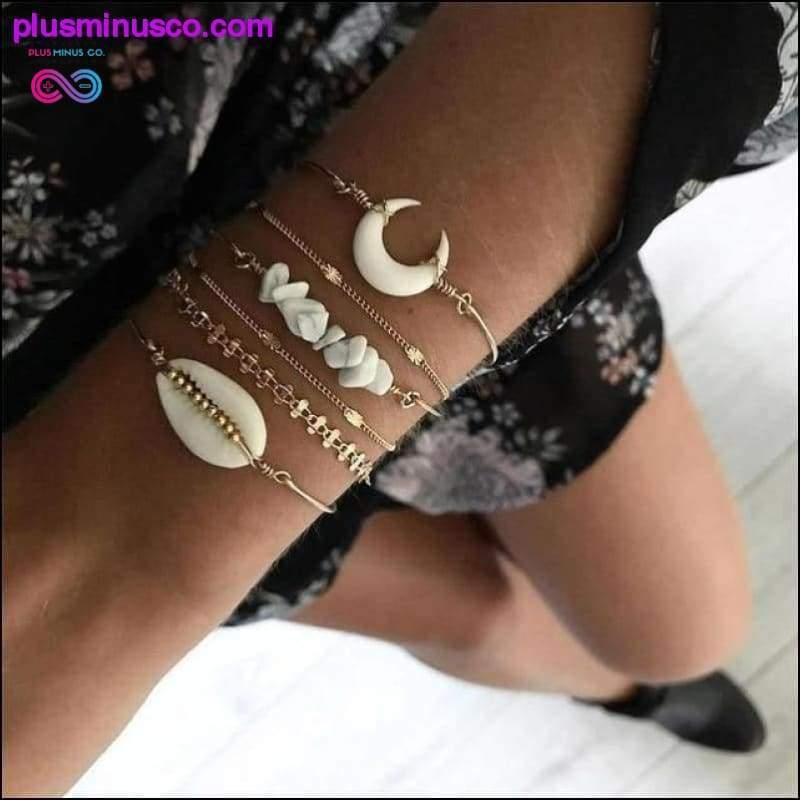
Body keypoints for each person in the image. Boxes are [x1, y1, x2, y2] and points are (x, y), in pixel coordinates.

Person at [3, 3, 797, 795]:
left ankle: (630, 674)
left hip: (364, 108)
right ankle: (617, 693)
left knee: (681, 627)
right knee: (479, 612)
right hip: (49, 387)